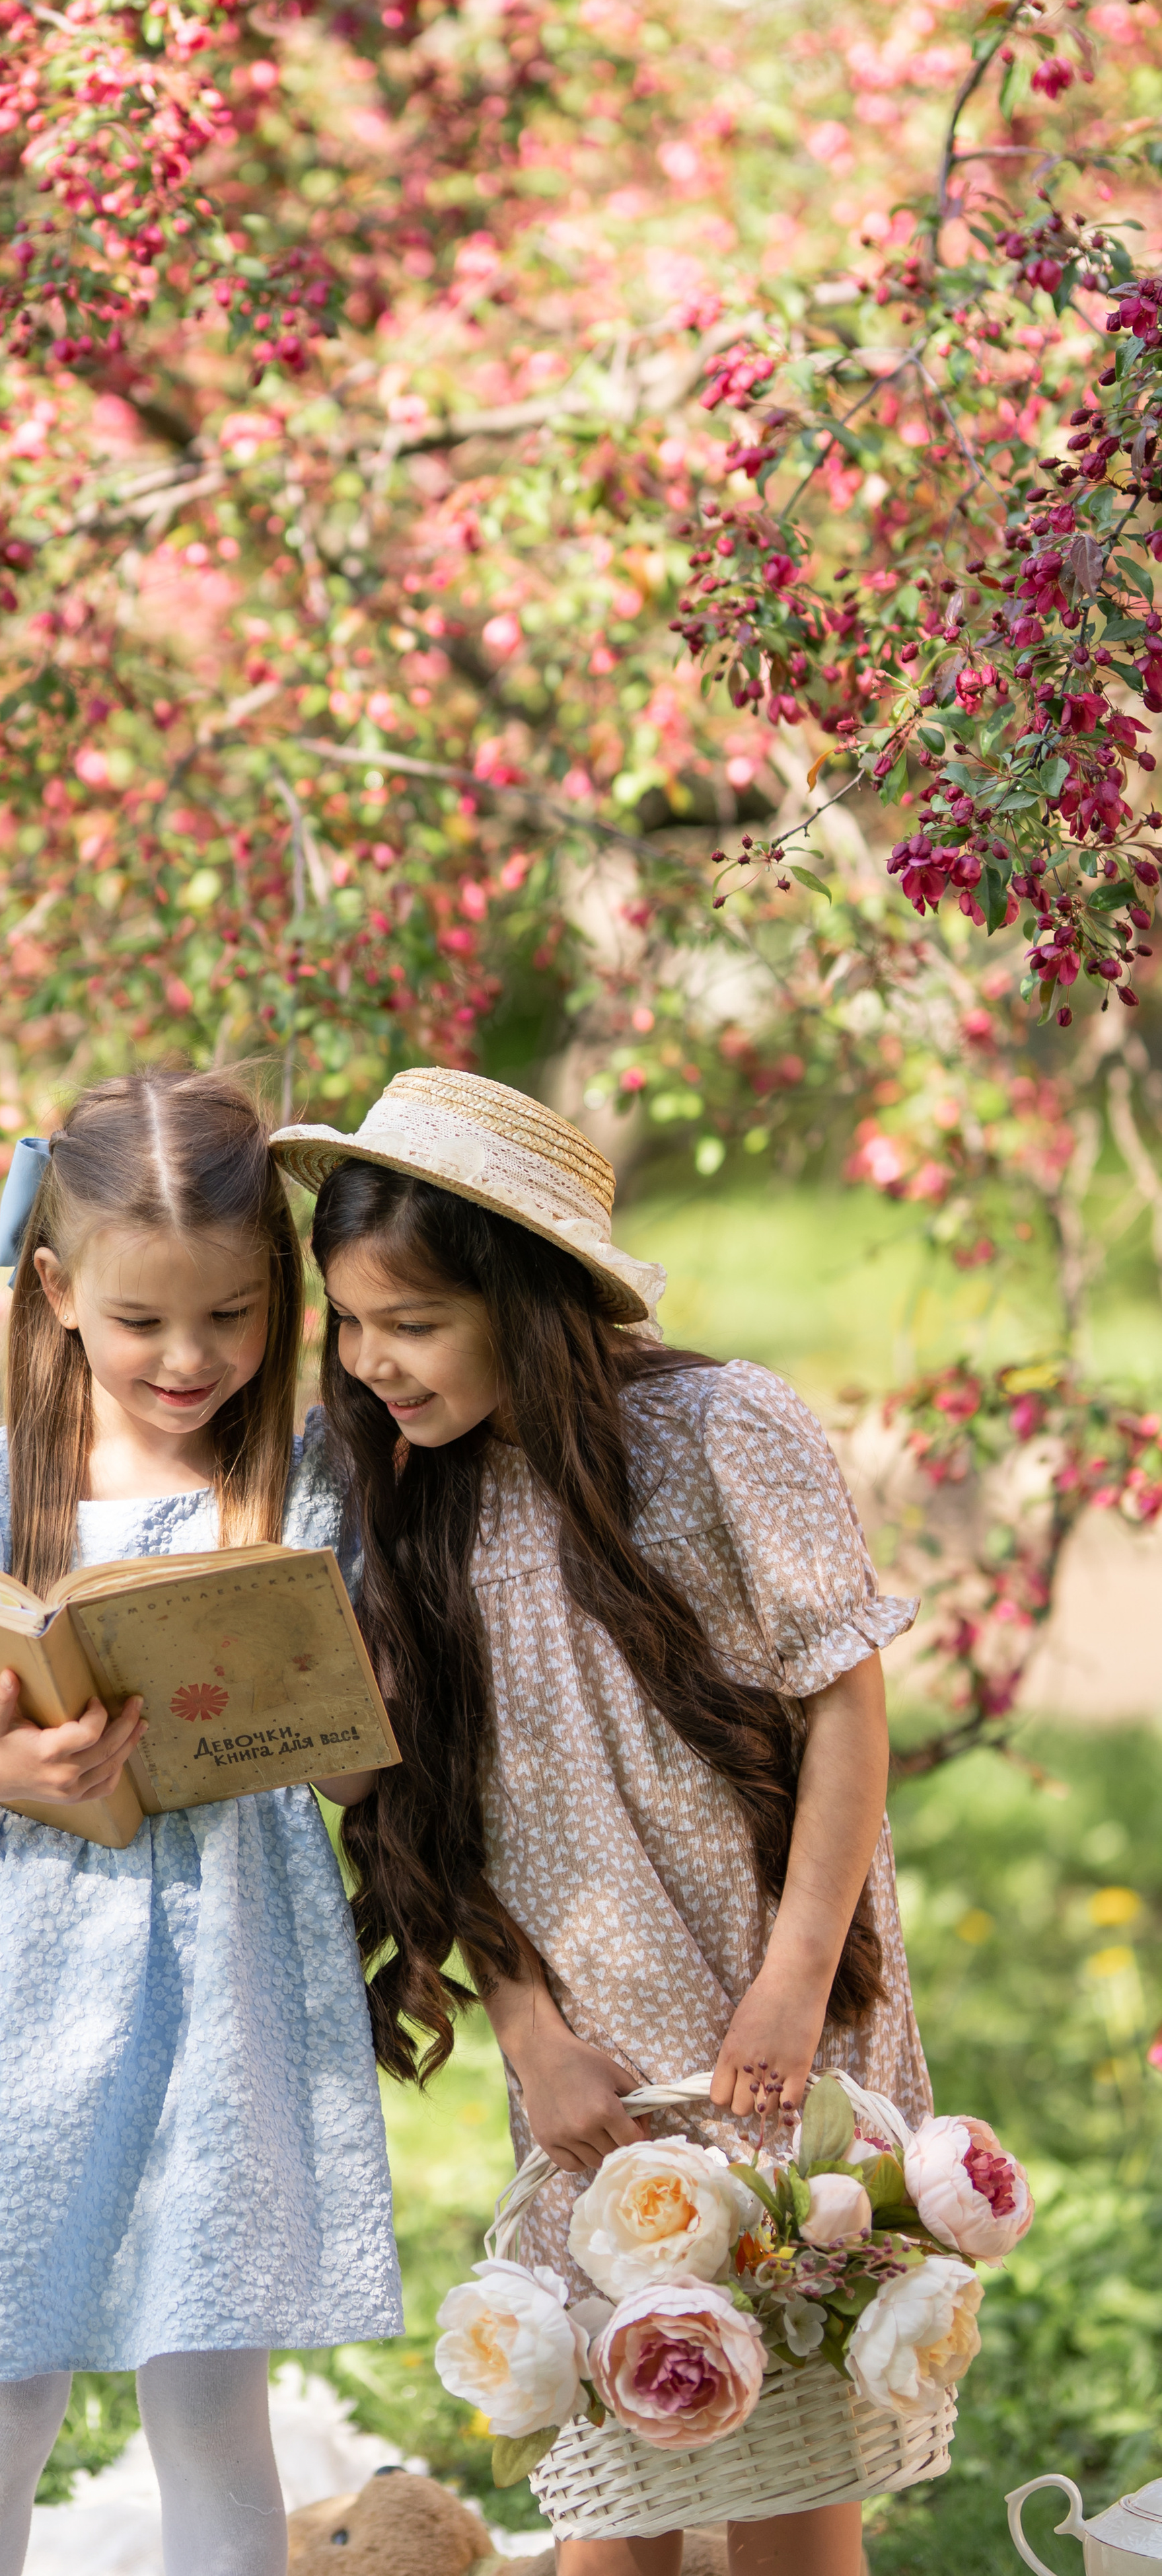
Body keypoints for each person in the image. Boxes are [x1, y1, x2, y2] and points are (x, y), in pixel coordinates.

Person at [271, 1066, 931, 2576]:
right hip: (586, 2041)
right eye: (350, 1324)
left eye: (414, 1324)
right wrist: (528, 2035)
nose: (373, 1361)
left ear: (528, 1297)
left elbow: (842, 1706)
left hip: (779, 2018)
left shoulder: (721, 1433)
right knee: (612, 2470)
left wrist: (787, 1983)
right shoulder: (396, 1490)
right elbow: (426, 1810)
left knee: (778, 2456)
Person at [0, 1067, 403, 2576]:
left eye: (231, 1315)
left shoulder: (299, 1483)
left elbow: (351, 1759)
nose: (189, 1359)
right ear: (60, 1291)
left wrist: (332, 1715)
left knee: (212, 2402)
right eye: (142, 1322)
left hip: (225, 1984)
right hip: (21, 1979)